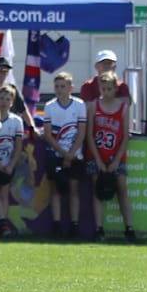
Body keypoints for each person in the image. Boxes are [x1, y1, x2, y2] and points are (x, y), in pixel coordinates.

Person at [87, 68, 136, 241]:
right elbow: (90, 135)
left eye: (109, 89)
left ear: (115, 89)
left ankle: (129, 228)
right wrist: (98, 160)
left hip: (116, 156)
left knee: (122, 189)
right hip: (97, 155)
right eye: (103, 89)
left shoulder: (122, 108)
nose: (106, 92)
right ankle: (99, 228)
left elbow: (125, 136)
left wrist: (116, 160)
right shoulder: (93, 106)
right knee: (97, 190)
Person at [41, 71, 89, 238]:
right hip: (55, 154)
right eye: (57, 86)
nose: (59, 90)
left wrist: (70, 154)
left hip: (75, 154)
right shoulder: (49, 106)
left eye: (63, 86)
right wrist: (62, 154)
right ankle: (56, 224)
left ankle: (74, 224)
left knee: (73, 188)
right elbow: (47, 134)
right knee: (55, 189)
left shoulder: (79, 105)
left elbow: (81, 133)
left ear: (71, 88)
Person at [0, 83, 25, 235]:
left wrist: (10, 165)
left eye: (7, 99)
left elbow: (18, 147)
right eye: (1, 98)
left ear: (12, 101)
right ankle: (2, 222)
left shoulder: (16, 121)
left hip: (8, 164)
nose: (4, 102)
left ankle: (3, 224)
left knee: (4, 192)